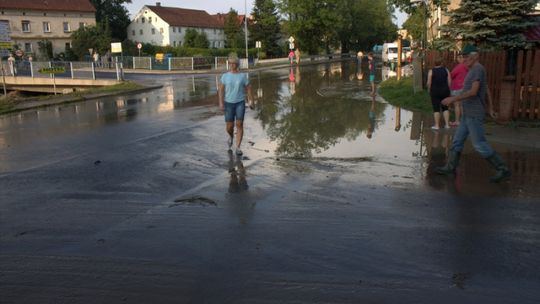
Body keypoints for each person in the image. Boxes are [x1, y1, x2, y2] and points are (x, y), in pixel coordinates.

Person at [435, 44, 511, 183]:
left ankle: (503, 169)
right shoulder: (473, 70)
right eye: (463, 56)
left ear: (476, 56)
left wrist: (453, 98)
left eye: (467, 56)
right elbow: (486, 89)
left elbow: (474, 92)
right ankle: (450, 167)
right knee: (457, 141)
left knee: (479, 144)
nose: (465, 59)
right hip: (467, 114)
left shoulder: (477, 69)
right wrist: (490, 108)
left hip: (474, 114)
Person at [219, 55, 253, 156]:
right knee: (229, 127)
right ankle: (231, 137)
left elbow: (249, 88)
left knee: (239, 124)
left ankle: (238, 147)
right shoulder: (225, 76)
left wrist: (251, 100)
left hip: (240, 103)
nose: (232, 65)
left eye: (234, 63)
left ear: (237, 64)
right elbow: (221, 90)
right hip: (228, 103)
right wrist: (221, 103)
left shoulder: (242, 76)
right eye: (230, 63)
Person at [427, 57, 451, 130]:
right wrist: (448, 89)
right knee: (445, 108)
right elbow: (449, 81)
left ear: (435, 63)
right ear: (441, 63)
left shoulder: (431, 71)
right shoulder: (446, 70)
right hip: (445, 91)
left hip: (435, 91)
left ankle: (437, 126)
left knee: (436, 109)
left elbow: (429, 82)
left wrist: (429, 89)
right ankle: (447, 125)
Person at [449, 54, 468, 126]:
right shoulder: (468, 66)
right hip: (465, 87)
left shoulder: (460, 66)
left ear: (461, 58)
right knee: (462, 105)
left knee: (456, 105)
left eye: (458, 58)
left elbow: (452, 74)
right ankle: (464, 121)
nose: (458, 59)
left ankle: (457, 121)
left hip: (457, 87)